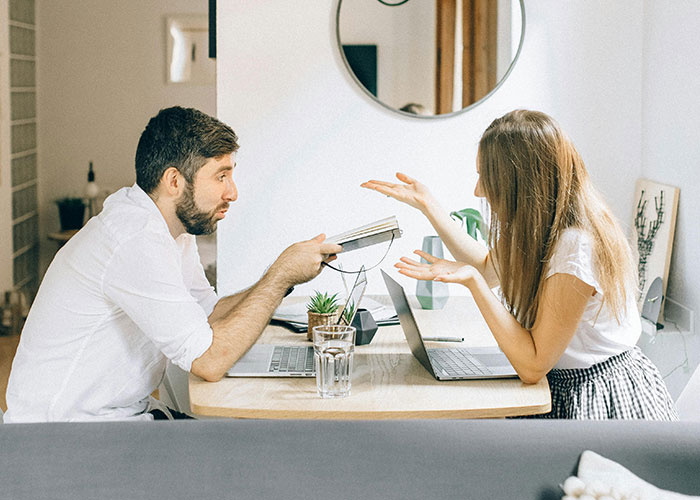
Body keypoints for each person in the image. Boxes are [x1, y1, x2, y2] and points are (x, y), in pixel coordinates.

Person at [4, 106, 342, 422]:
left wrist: (284, 274)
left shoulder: (170, 229)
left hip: (112, 418)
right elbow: (208, 361)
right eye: (221, 176)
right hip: (62, 435)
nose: (233, 192)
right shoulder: (134, 240)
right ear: (175, 181)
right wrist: (280, 277)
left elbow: (207, 314)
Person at [362, 109, 678, 420]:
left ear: (521, 183)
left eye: (486, 178)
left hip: (596, 395)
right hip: (559, 385)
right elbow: (488, 268)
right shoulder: (540, 227)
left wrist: (471, 282)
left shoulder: (575, 247)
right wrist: (429, 207)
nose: (478, 191)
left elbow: (533, 365)